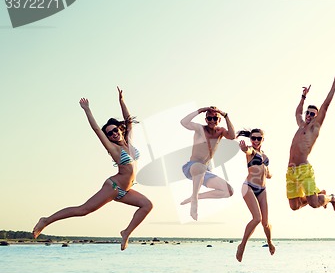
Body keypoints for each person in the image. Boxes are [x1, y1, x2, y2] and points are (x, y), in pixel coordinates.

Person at [32, 87, 153, 250]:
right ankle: (46, 220)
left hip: (126, 191)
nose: (113, 134)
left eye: (115, 130)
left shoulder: (128, 142)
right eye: (110, 134)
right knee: (83, 210)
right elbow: (97, 129)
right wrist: (87, 110)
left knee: (147, 205)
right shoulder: (114, 149)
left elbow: (129, 120)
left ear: (120, 129)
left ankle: (126, 233)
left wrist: (121, 101)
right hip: (114, 187)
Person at [287, 70, 335, 213]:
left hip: (304, 170)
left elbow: (325, 105)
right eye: (308, 112)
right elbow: (297, 112)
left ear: (316, 116)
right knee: (294, 206)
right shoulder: (301, 125)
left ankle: (330, 198)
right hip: (291, 170)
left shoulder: (314, 127)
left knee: (313, 203)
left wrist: (334, 84)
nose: (309, 115)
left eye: (313, 114)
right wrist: (303, 97)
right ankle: (319, 194)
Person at [180, 106, 236, 220]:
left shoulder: (220, 132)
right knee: (200, 167)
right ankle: (194, 201)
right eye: (209, 118)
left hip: (205, 171)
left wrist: (226, 115)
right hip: (192, 167)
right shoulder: (200, 129)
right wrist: (200, 110)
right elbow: (184, 122)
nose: (212, 121)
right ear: (206, 120)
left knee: (228, 191)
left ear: (219, 120)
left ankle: (196, 196)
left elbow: (232, 136)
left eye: (215, 118)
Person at [235, 129, 275, 262]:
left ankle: (269, 242)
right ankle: (242, 246)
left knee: (265, 223)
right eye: (253, 138)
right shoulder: (251, 151)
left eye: (259, 139)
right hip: (249, 187)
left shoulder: (264, 155)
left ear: (263, 140)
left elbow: (267, 174)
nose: (256, 141)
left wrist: (269, 173)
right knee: (257, 218)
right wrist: (244, 148)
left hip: (262, 189)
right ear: (250, 139)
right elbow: (248, 151)